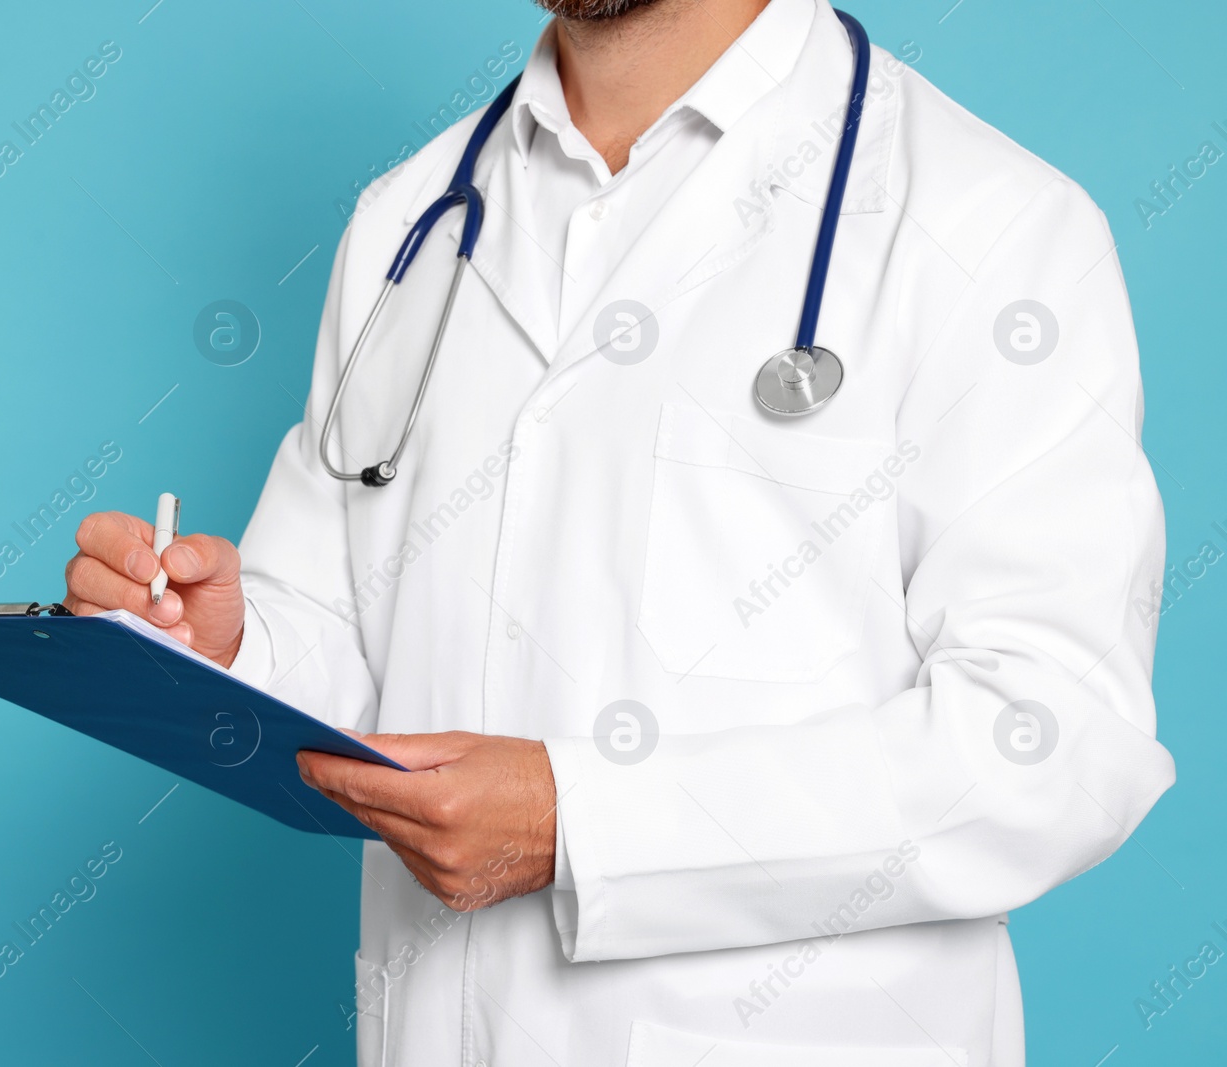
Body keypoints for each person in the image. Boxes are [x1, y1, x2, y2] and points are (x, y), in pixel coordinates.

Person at [62, 0, 1174, 1062]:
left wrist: (586, 820)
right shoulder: (410, 220)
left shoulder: (991, 226)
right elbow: (352, 653)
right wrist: (226, 649)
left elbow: (1054, 742)